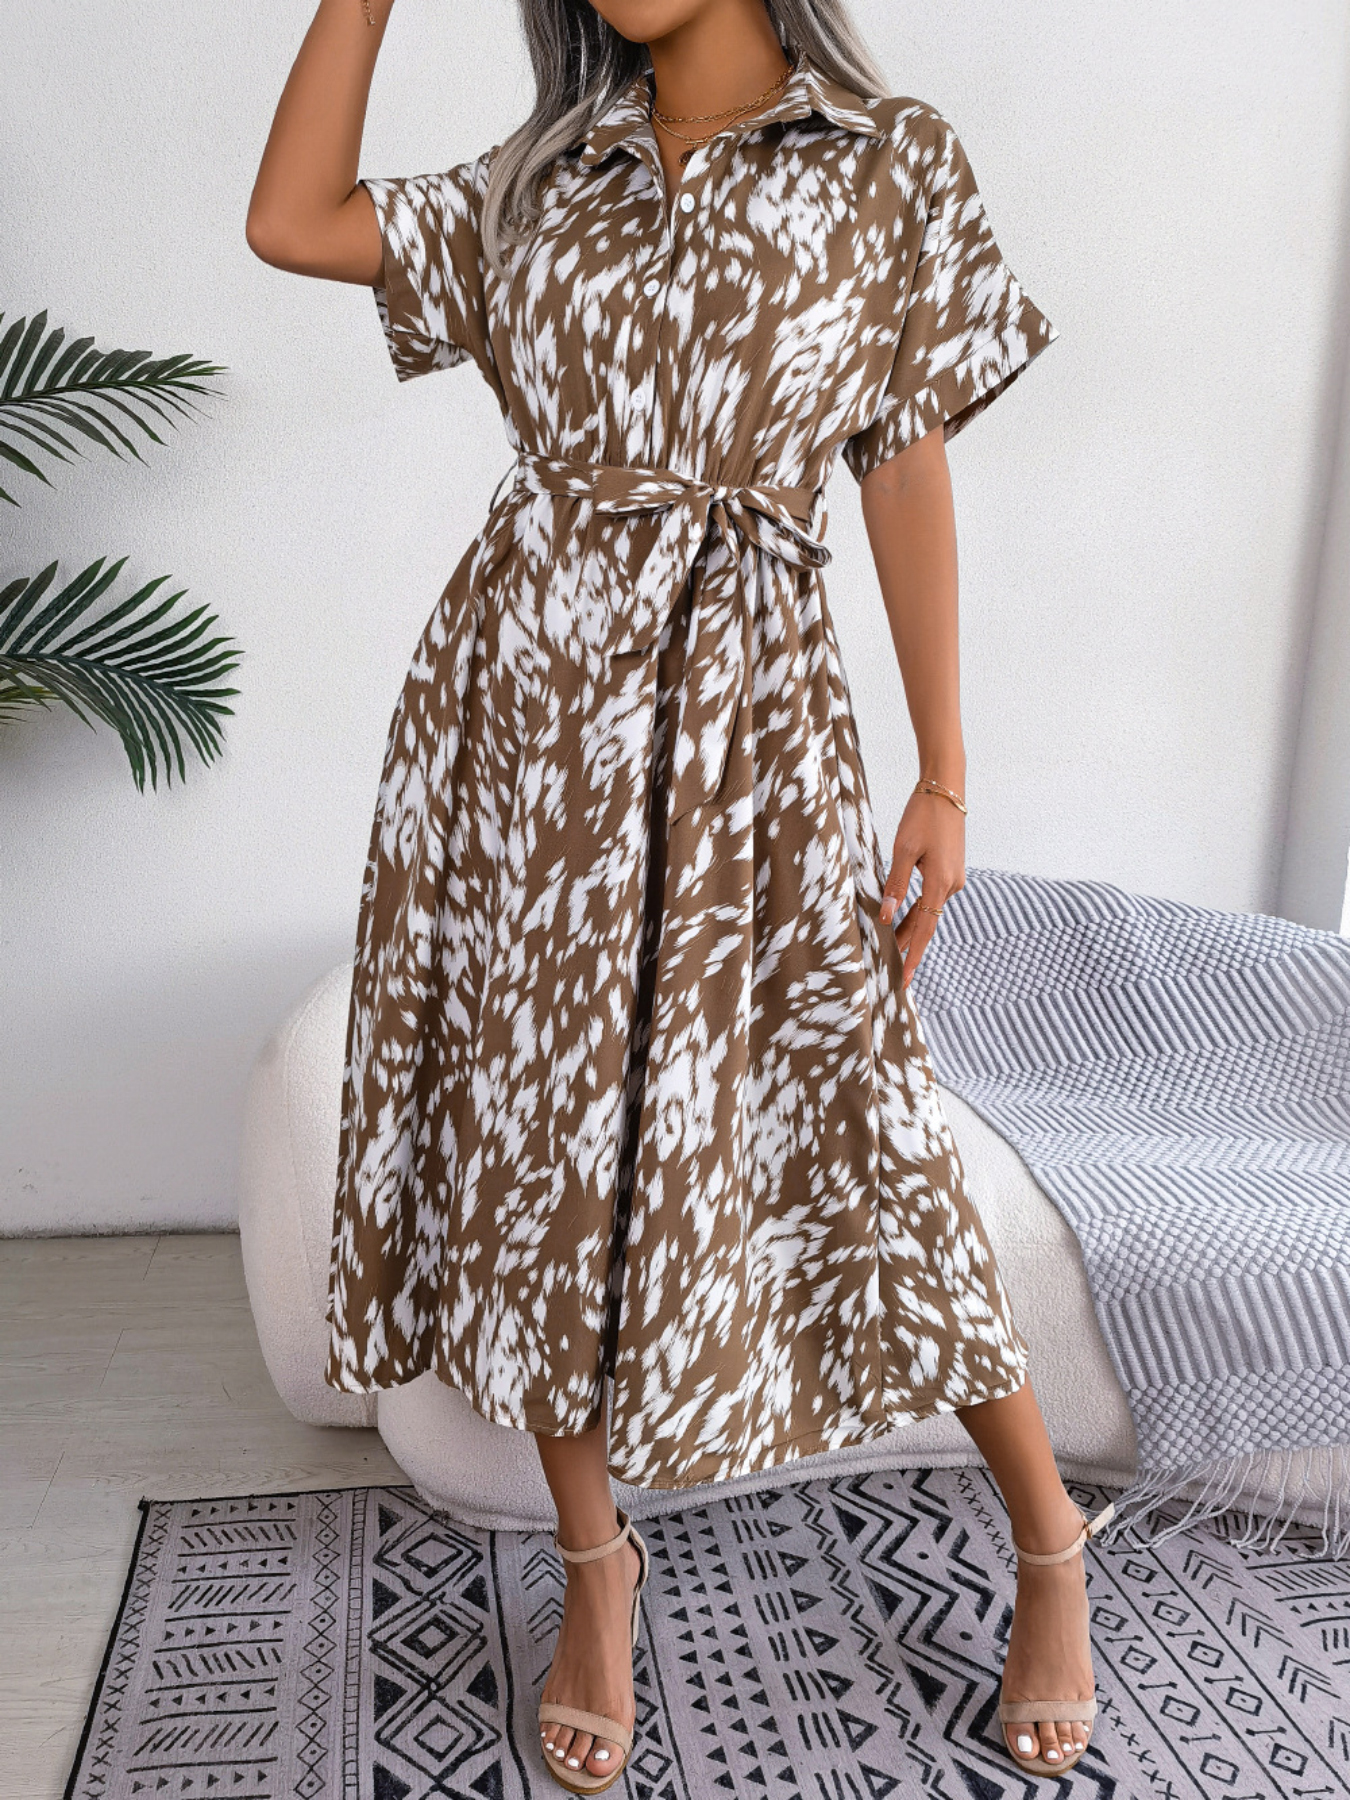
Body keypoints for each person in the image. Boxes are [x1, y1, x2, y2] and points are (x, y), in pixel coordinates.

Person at [248, 0, 1109, 1788]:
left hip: (750, 720)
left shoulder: (888, 159)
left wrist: (942, 770)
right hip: (524, 717)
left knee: (858, 1120)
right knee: (550, 1145)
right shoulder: (540, 178)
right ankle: (595, 1568)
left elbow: (902, 458)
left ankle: (1047, 1543)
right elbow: (292, 219)